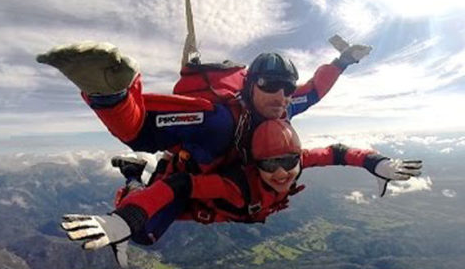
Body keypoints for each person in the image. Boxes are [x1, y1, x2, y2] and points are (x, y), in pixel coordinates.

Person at [61, 119, 422, 267]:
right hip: (188, 199)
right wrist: (126, 217)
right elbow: (180, 187)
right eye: (269, 165)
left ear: (298, 157)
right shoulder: (234, 183)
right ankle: (136, 175)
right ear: (255, 164)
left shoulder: (295, 162)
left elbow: (338, 152)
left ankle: (143, 171)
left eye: (289, 162)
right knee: (147, 235)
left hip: (216, 206)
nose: (281, 173)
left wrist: (376, 163)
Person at [36, 41, 372, 176]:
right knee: (176, 191)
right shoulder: (217, 120)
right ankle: (142, 173)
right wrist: (109, 94)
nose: (282, 95)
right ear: (250, 85)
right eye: (271, 85)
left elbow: (313, 91)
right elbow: (139, 130)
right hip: (197, 173)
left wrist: (341, 62)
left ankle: (141, 171)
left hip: (232, 172)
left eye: (286, 87)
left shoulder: (282, 107)